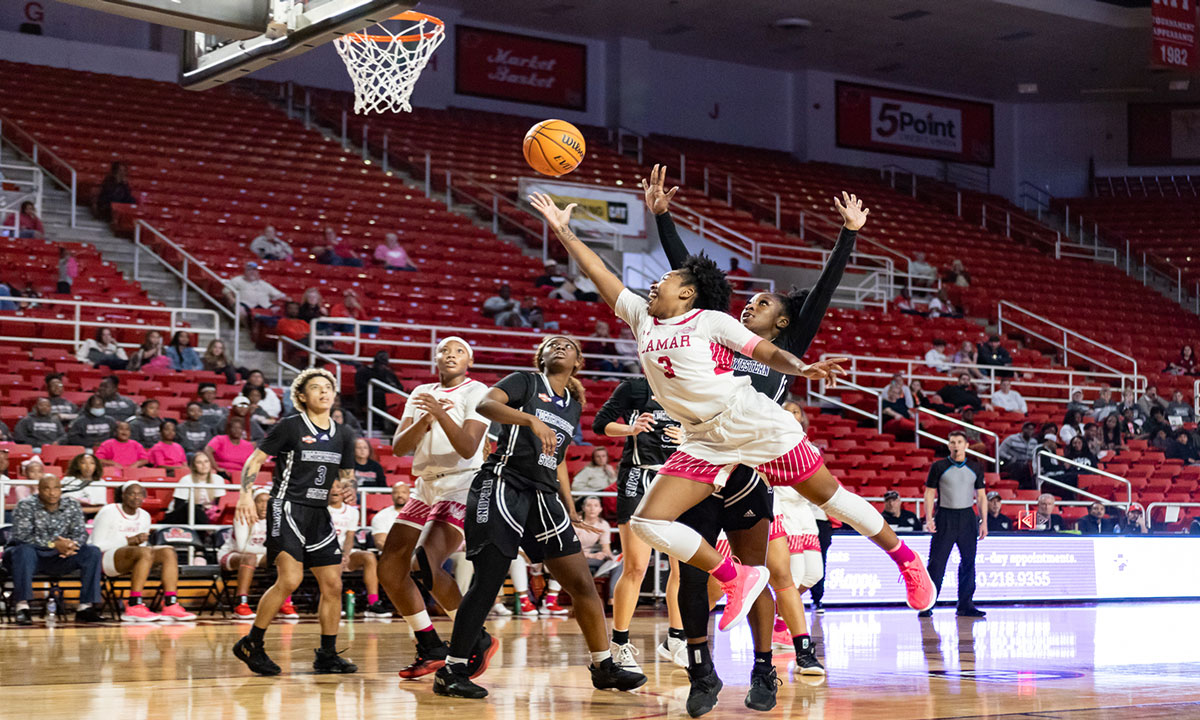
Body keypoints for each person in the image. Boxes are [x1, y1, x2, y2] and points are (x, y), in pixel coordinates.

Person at [529, 181, 934, 647]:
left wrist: (805, 363)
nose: (656, 280)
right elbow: (631, 273)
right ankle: (733, 578)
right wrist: (568, 231)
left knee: (829, 498)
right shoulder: (657, 316)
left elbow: (771, 346)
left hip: (753, 421)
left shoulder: (716, 323)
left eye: (763, 303)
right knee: (645, 522)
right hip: (704, 437)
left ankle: (904, 559)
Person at [432, 336, 647, 698]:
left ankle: (603, 665)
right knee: (489, 579)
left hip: (544, 495)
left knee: (580, 582)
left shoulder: (573, 406)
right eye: (552, 344)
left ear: (578, 361)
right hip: (503, 482)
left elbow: (559, 459)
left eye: (568, 346)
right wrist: (530, 419)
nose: (560, 347)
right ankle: (452, 670)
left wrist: (570, 506)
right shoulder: (525, 382)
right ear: (541, 357)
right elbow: (486, 405)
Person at [232, 367, 359, 676]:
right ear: (302, 396)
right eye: (317, 387)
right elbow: (256, 459)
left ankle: (327, 654)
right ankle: (253, 643)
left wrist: (348, 486)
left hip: (318, 513)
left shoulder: (343, 434)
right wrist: (246, 494)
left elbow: (346, 474)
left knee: (333, 583)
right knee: (290, 579)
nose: (325, 392)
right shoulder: (289, 426)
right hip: (287, 506)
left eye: (328, 387)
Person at [378, 337, 490, 677]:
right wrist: (422, 422)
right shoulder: (420, 393)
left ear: (469, 360)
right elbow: (399, 447)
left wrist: (440, 413)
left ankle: (475, 638)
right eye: (444, 350)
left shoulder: (477, 391)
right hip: (425, 484)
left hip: (462, 480)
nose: (450, 354)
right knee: (389, 567)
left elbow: (469, 447)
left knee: (424, 562)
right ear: (435, 358)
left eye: (458, 351)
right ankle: (430, 645)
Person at [593, 375, 685, 670]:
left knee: (682, 568)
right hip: (638, 475)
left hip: (678, 477)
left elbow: (710, 430)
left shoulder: (693, 384)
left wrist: (689, 438)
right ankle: (619, 644)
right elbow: (600, 423)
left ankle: (676, 639)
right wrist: (629, 429)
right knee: (635, 566)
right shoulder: (635, 387)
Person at [3, 475, 105, 624]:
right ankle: (22, 607)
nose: (52, 493)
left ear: (60, 489)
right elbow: (21, 536)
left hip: (62, 556)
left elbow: (80, 533)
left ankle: (85, 607)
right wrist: (54, 545)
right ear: (39, 489)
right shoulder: (25, 505)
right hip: (33, 557)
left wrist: (71, 545)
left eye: (56, 488)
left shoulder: (72, 505)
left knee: (92, 552)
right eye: (47, 488)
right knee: (23, 551)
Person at [90, 481, 198, 621]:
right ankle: (134, 604)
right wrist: (128, 541)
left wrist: (135, 544)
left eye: (140, 494)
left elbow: (142, 546)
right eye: (132, 494)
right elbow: (96, 546)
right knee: (144, 552)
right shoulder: (108, 511)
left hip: (135, 558)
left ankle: (170, 604)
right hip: (104, 559)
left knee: (168, 552)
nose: (136, 497)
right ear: (123, 495)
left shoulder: (145, 516)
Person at [921, 431, 987, 618]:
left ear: (966, 445)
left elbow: (981, 496)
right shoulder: (939, 466)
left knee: (968, 562)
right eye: (952, 442)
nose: (956, 445)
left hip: (967, 517)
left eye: (959, 442)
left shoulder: (975, 467)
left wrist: (983, 522)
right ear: (948, 446)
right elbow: (929, 493)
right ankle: (927, 603)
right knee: (936, 563)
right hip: (945, 516)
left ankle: (965, 605)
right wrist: (929, 518)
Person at [327, 476, 388, 617]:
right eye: (331, 487)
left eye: (338, 487)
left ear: (344, 492)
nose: (334, 490)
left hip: (345, 551)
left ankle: (373, 603)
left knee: (369, 557)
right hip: (326, 552)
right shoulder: (321, 510)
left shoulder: (352, 512)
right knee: (332, 560)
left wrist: (345, 555)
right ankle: (335, 604)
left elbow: (350, 536)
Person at [218, 487, 276, 619]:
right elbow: (242, 547)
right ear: (252, 503)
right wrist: (269, 551)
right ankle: (241, 604)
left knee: (283, 557)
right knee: (249, 557)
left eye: (267, 502)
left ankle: (286, 603)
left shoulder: (274, 520)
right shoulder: (242, 517)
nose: (263, 506)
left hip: (258, 555)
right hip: (232, 555)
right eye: (260, 501)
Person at [164, 451, 225, 526]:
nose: (204, 465)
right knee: (191, 507)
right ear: (194, 466)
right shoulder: (186, 480)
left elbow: (220, 503)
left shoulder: (218, 479)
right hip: (181, 514)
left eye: (206, 461)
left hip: (206, 513)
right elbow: (179, 506)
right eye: (199, 462)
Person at [354, 351, 401, 431]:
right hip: (368, 397)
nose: (382, 366)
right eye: (380, 363)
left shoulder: (388, 373)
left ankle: (392, 424)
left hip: (388, 397)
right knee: (378, 395)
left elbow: (399, 387)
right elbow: (361, 387)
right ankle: (380, 423)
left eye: (384, 364)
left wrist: (392, 386)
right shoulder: (363, 371)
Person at [576, 496, 616, 577]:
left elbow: (606, 549)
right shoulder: (576, 523)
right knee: (591, 565)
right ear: (583, 508)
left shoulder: (603, 524)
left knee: (617, 565)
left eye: (596, 506)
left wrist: (611, 557)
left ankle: (614, 589)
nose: (592, 509)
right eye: (589, 505)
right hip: (573, 556)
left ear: (600, 509)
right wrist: (591, 556)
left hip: (588, 556)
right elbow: (570, 550)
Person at [998, 422, 1039, 489]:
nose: (1030, 431)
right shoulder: (1011, 439)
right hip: (1011, 463)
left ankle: (1029, 489)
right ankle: (1018, 487)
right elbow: (1000, 451)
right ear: (1023, 429)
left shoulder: (1034, 442)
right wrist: (1009, 458)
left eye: (1032, 429)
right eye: (1028, 429)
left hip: (1027, 464)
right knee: (1019, 466)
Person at [370, 483, 409, 549]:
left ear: (409, 494)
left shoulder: (419, 515)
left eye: (404, 492)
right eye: (396, 492)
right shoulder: (381, 516)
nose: (400, 495)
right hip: (390, 555)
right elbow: (380, 542)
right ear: (391, 495)